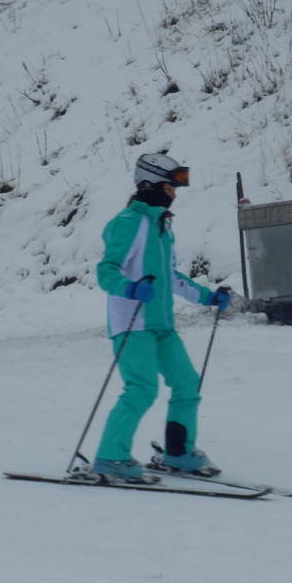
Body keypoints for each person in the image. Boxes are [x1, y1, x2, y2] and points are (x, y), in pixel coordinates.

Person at [92, 153, 231, 482]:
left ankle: (178, 452)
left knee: (186, 383)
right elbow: (106, 271)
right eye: (171, 187)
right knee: (141, 389)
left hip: (162, 324)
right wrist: (130, 288)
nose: (175, 194)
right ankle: (110, 457)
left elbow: (172, 277)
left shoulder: (163, 226)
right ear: (149, 185)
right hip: (132, 324)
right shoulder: (128, 222)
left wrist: (208, 297)